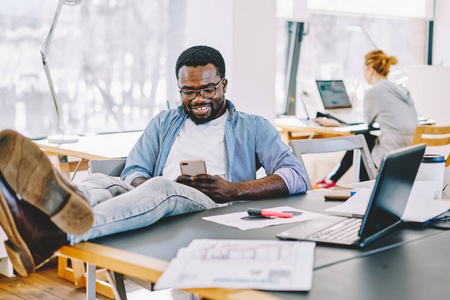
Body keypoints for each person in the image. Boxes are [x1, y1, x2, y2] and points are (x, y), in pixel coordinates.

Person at [0, 45, 307, 276]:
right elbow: (135, 168)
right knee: (102, 181)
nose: (198, 99)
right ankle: (49, 210)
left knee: (162, 187)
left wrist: (234, 190)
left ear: (224, 85)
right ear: (179, 90)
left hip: (213, 207)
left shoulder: (253, 127)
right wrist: (141, 188)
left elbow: (296, 175)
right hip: (156, 201)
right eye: (188, 92)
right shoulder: (164, 122)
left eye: (208, 89)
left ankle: (52, 233)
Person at [315, 50, 418, 189]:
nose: (363, 74)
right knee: (366, 138)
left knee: (361, 140)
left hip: (391, 153)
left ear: (370, 69)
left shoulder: (374, 92)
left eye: (363, 70)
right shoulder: (401, 90)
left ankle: (355, 188)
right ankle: (331, 179)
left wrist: (338, 123)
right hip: (411, 151)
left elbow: (367, 122)